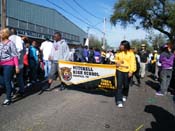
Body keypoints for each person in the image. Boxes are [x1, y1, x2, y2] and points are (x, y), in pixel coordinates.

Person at [0, 28, 19, 105]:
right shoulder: (0, 43)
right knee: (2, 81)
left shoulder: (11, 43)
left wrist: (17, 66)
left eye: (1, 33)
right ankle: (12, 90)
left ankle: (8, 99)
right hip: (1, 64)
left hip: (9, 64)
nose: (0, 34)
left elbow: (15, 55)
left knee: (7, 81)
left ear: (5, 34)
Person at [115, 40, 136, 108]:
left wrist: (131, 71)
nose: (120, 46)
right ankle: (119, 100)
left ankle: (125, 95)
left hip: (127, 71)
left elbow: (133, 63)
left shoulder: (131, 53)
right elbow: (115, 59)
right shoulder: (118, 52)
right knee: (119, 85)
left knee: (126, 85)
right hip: (119, 70)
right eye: (120, 44)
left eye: (122, 45)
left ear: (125, 46)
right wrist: (117, 62)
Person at [9, 28, 25, 97]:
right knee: (20, 77)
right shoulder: (20, 39)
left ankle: (12, 91)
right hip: (20, 62)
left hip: (11, 62)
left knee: (10, 78)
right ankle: (22, 91)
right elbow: (24, 51)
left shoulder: (8, 38)